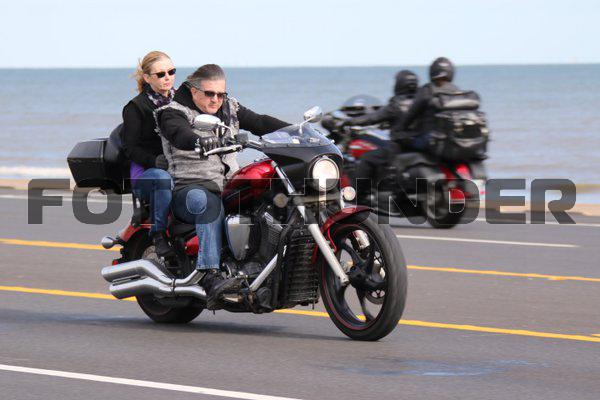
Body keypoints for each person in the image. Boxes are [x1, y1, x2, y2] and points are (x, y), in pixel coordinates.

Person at [156, 64, 290, 308]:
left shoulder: (230, 108)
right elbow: (179, 134)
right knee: (209, 204)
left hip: (227, 185)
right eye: (209, 93)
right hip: (190, 189)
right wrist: (199, 140)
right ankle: (210, 275)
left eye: (220, 94)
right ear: (193, 91)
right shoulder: (172, 112)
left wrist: (297, 131)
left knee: (270, 192)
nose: (216, 100)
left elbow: (259, 121)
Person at [121, 51, 177, 257]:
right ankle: (158, 234)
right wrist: (154, 161)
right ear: (147, 78)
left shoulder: (182, 102)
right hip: (147, 174)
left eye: (171, 71)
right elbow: (130, 148)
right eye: (160, 74)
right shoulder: (136, 107)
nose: (167, 77)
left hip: (178, 167)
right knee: (162, 179)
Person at [341, 70, 419, 204]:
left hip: (399, 148)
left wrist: (351, 121)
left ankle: (354, 195)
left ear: (400, 84)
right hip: (418, 147)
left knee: (367, 158)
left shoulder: (397, 103)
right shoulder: (421, 101)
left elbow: (374, 117)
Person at [393, 57, 461, 151]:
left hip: (430, 141)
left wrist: (397, 129)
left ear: (432, 72)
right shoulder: (457, 91)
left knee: (397, 136)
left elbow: (410, 115)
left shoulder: (427, 90)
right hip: (453, 140)